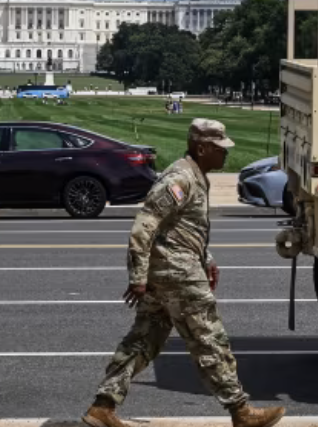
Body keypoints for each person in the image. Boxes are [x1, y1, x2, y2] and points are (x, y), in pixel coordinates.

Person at [83, 119, 285, 427]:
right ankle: (241, 411)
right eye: (220, 148)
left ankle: (102, 406)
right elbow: (144, 226)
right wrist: (138, 277)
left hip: (176, 266)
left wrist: (207, 259)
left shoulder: (195, 175)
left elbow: (182, 228)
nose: (225, 155)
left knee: (145, 337)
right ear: (202, 148)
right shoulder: (180, 179)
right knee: (209, 337)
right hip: (177, 272)